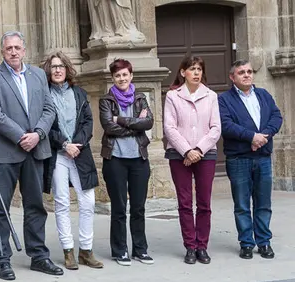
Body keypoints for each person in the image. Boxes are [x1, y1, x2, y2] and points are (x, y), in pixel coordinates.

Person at [0, 31, 62, 280]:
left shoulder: (37, 74)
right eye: (8, 49)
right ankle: (1, 259)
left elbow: (49, 108)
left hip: (35, 149)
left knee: (35, 205)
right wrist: (21, 136)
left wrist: (37, 134)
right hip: (5, 152)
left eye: (17, 47)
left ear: (24, 50)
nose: (13, 52)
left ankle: (39, 255)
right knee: (0, 207)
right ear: (2, 52)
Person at [42, 51, 103, 270]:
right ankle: (68, 251)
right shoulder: (44, 95)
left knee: (88, 202)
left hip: (80, 152)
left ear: (68, 69)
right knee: (62, 201)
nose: (57, 70)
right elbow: (45, 127)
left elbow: (88, 121)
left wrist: (77, 144)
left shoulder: (79, 93)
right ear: (48, 71)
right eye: (54, 67)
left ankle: (86, 250)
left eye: (61, 66)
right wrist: (64, 145)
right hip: (58, 154)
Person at [218, 60, 282, 260]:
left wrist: (263, 137)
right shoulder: (224, 99)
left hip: (262, 157)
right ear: (232, 77)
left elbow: (276, 117)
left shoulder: (263, 95)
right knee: (242, 204)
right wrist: (251, 137)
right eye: (241, 72)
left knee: (263, 203)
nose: (246, 75)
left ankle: (263, 242)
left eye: (248, 71)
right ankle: (246, 243)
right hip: (239, 159)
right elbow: (226, 125)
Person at [163, 55, 221, 265]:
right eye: (192, 69)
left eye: (199, 69)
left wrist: (198, 150)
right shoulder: (173, 96)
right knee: (185, 202)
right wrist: (187, 151)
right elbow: (169, 127)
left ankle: (202, 246)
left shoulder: (211, 96)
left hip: (206, 155)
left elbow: (216, 128)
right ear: (183, 72)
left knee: (204, 203)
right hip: (180, 156)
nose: (196, 73)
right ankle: (190, 246)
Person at [99, 58, 154, 266]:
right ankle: (120, 250)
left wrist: (120, 119)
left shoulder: (140, 98)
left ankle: (140, 249)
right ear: (113, 78)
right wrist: (134, 124)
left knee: (139, 207)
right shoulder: (106, 100)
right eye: (117, 75)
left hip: (139, 158)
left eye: (125, 74)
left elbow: (148, 122)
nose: (122, 78)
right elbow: (108, 127)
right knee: (119, 207)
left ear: (131, 76)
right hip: (115, 159)